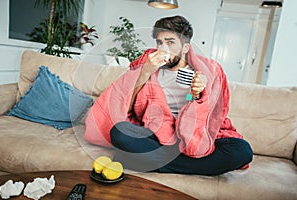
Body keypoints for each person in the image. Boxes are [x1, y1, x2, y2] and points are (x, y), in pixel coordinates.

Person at [84, 15, 253, 176]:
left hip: (193, 133)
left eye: (170, 42)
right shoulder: (148, 65)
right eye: (159, 42)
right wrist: (145, 72)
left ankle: (145, 162)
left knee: (242, 151)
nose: (162, 48)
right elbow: (127, 106)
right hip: (157, 133)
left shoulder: (206, 71)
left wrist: (197, 95)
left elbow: (212, 113)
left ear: (185, 47)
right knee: (119, 132)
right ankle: (170, 162)